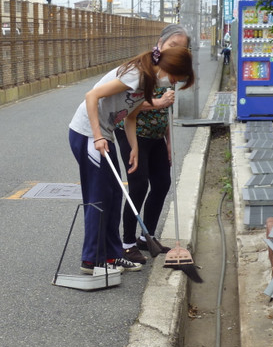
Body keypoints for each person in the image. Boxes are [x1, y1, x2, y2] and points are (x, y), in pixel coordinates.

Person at [68, 45, 195, 275]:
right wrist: (97, 136)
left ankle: (113, 255)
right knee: (100, 197)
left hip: (103, 135)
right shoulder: (136, 75)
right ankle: (91, 260)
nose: (174, 82)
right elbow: (92, 96)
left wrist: (134, 148)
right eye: (176, 77)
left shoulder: (149, 82)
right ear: (167, 67)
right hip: (87, 133)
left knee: (115, 195)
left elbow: (131, 116)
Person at [115, 25, 191, 264]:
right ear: (160, 44)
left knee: (162, 182)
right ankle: (126, 243)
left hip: (157, 134)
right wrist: (158, 102)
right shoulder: (144, 68)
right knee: (138, 185)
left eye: (182, 47)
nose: (177, 50)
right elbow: (126, 104)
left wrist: (169, 141)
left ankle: (146, 235)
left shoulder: (172, 69)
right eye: (172, 45)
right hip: (133, 133)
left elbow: (168, 108)